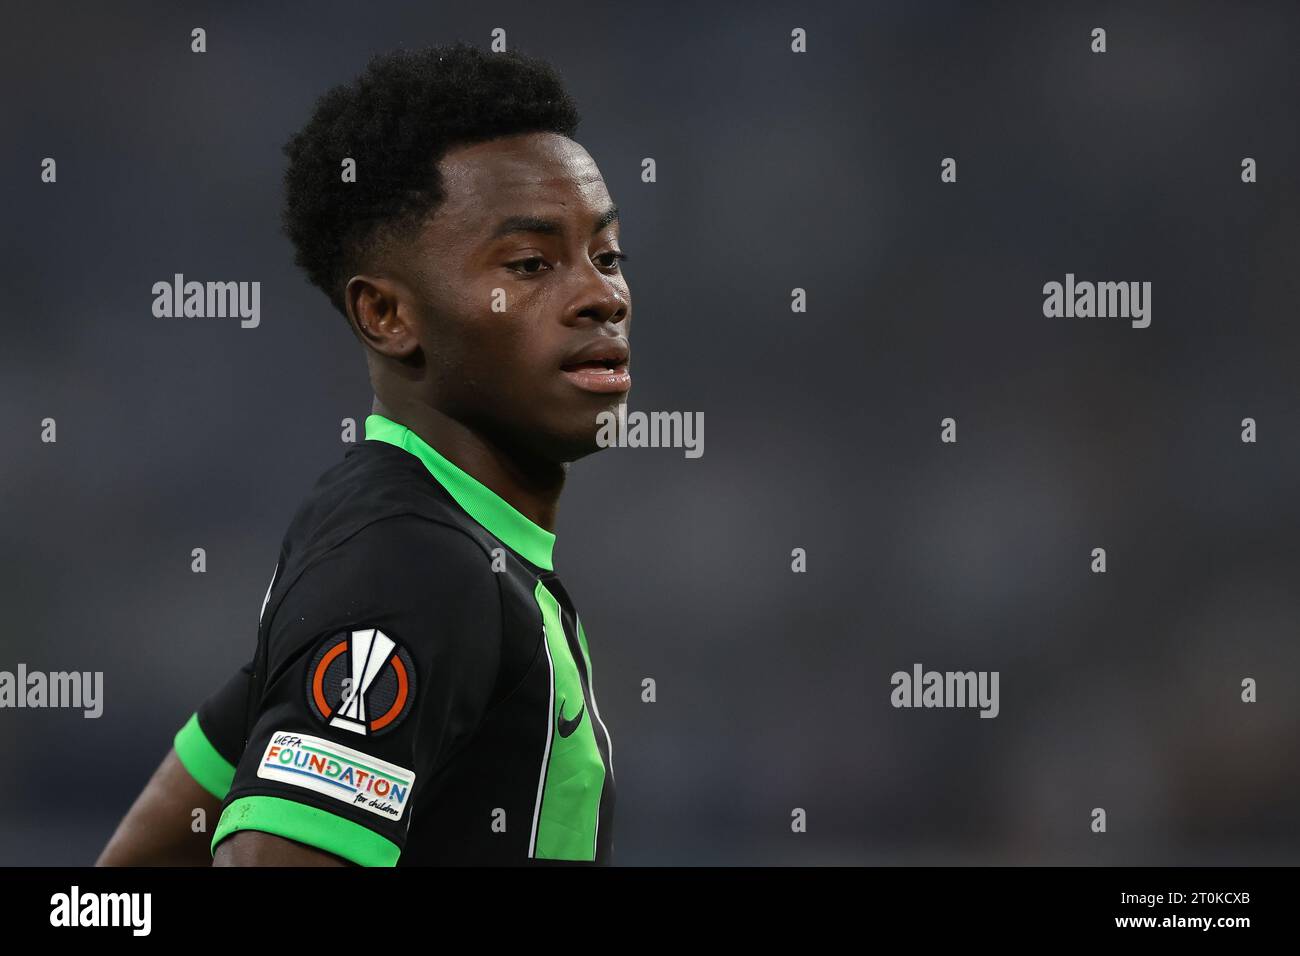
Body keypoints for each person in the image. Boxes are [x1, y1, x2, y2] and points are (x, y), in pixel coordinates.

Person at [97, 41, 627, 866]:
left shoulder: (415, 541)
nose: (602, 294)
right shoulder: (415, 568)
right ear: (387, 315)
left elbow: (125, 882)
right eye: (530, 264)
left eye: (606, 254)